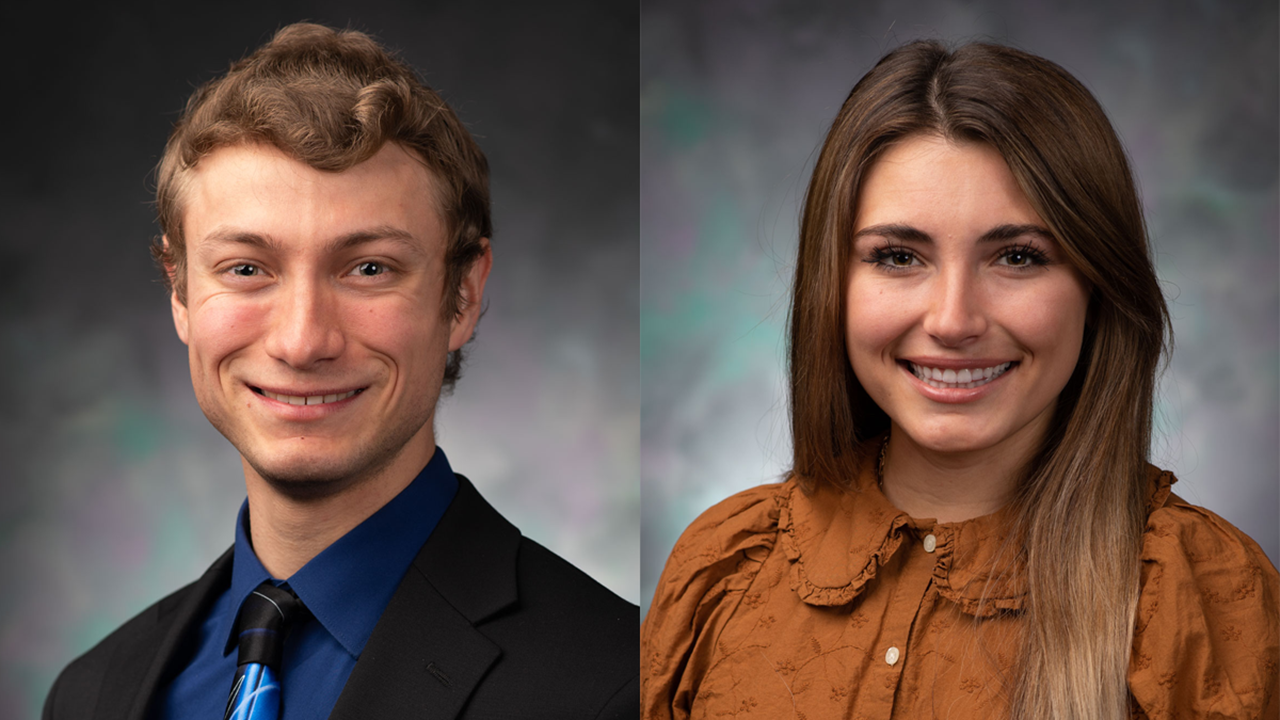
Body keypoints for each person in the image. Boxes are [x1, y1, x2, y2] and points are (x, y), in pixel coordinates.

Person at [641, 40, 1278, 719]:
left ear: (1098, 288)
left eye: (1016, 256)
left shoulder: (1197, 592)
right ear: (833, 285)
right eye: (896, 256)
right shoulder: (723, 569)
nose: (952, 320)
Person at [43, 23, 637, 720]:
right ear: (179, 294)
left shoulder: (617, 683)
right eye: (245, 269)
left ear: (464, 296)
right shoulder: (92, 693)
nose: (302, 341)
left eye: (369, 269)